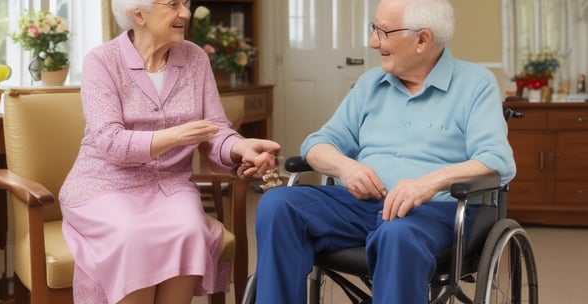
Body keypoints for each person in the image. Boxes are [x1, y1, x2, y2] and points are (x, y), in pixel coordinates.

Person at [253, 0, 516, 303]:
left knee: (397, 234)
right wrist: (346, 168)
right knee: (278, 204)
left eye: (383, 32)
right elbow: (316, 144)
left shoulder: (475, 84)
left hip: (437, 213)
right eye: (374, 30)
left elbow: (497, 160)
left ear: (422, 39)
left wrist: (427, 184)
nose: (372, 42)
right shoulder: (370, 84)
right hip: (360, 205)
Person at [58, 0, 280, 303]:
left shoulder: (195, 58)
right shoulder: (102, 61)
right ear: (138, 14)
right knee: (131, 235)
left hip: (171, 185)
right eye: (173, 4)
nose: (186, 14)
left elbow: (215, 128)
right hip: (105, 183)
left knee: (189, 229)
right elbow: (110, 142)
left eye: (186, 4)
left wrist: (242, 148)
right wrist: (175, 136)